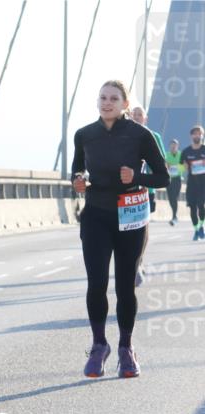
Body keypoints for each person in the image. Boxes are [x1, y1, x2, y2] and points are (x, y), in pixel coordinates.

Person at [71, 80, 168, 379]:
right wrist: (77, 180)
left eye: (114, 98)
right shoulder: (84, 134)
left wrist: (136, 175)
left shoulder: (141, 135)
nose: (107, 102)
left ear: (125, 104)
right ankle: (99, 345)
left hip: (130, 217)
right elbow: (77, 169)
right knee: (96, 283)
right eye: (102, 97)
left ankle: (126, 348)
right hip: (96, 215)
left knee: (125, 286)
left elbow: (163, 177)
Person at [129, 105, 165, 286]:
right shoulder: (124, 134)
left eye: (139, 115)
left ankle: (139, 260)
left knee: (143, 226)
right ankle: (131, 262)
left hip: (146, 189)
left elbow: (161, 164)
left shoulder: (154, 136)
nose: (136, 117)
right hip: (126, 191)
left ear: (146, 118)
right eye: (133, 115)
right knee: (127, 228)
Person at [180, 125, 205, 240]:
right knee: (192, 208)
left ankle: (201, 226)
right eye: (195, 133)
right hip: (191, 184)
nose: (197, 135)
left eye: (199, 133)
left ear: (202, 135)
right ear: (191, 136)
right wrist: (183, 167)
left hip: (203, 184)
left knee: (201, 206)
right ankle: (196, 229)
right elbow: (180, 168)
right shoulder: (185, 152)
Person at [164, 138, 185, 225]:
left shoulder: (181, 155)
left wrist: (172, 166)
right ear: (169, 146)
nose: (173, 147)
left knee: (174, 198)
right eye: (171, 145)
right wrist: (169, 166)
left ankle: (174, 216)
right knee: (170, 198)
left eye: (175, 145)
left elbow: (182, 168)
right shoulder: (166, 155)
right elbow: (165, 166)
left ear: (177, 146)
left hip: (177, 179)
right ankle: (174, 215)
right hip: (169, 179)